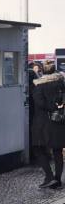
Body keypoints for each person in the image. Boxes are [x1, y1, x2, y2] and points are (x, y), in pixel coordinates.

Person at [32, 61, 65, 189]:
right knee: (57, 151)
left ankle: (49, 177)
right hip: (59, 121)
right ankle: (57, 179)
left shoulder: (39, 86)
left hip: (43, 123)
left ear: (42, 71)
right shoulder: (61, 83)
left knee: (38, 149)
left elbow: (40, 103)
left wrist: (52, 107)